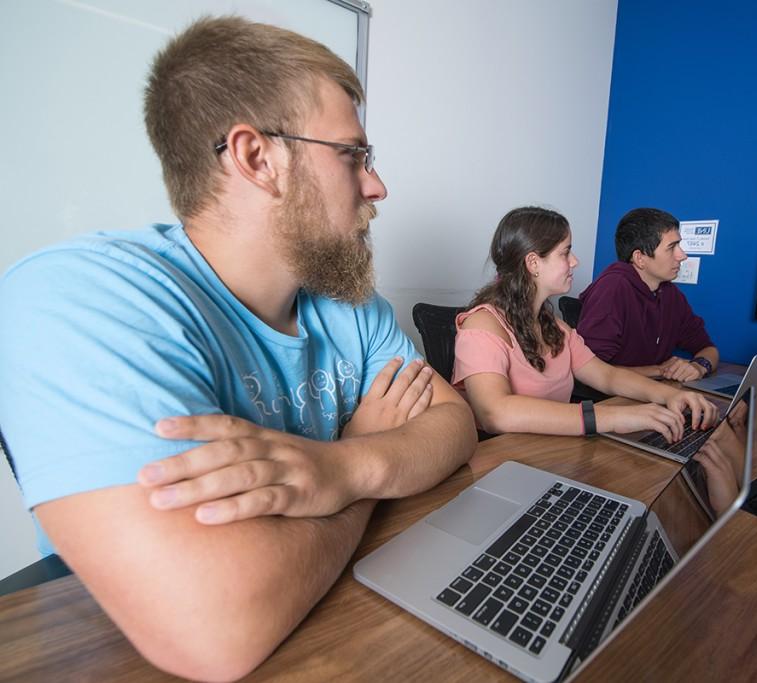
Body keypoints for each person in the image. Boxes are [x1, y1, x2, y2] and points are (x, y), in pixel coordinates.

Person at [0, 17, 476, 682]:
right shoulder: (72, 297)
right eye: (352, 155)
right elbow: (216, 627)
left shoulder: (353, 304)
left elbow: (453, 424)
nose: (377, 186)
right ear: (256, 158)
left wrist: (341, 470)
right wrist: (367, 471)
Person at [452, 207, 719, 442]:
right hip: (502, 463)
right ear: (533, 263)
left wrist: (669, 396)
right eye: (565, 252)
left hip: (552, 450)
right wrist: (610, 417)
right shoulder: (482, 324)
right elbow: (494, 413)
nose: (575, 261)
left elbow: (606, 375)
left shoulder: (554, 326)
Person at [577, 208, 720, 382]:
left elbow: (708, 348)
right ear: (640, 258)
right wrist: (659, 371)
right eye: (671, 247)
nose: (682, 255)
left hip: (652, 392)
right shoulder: (612, 289)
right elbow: (588, 370)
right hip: (613, 400)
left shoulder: (670, 293)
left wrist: (698, 367)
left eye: (679, 245)